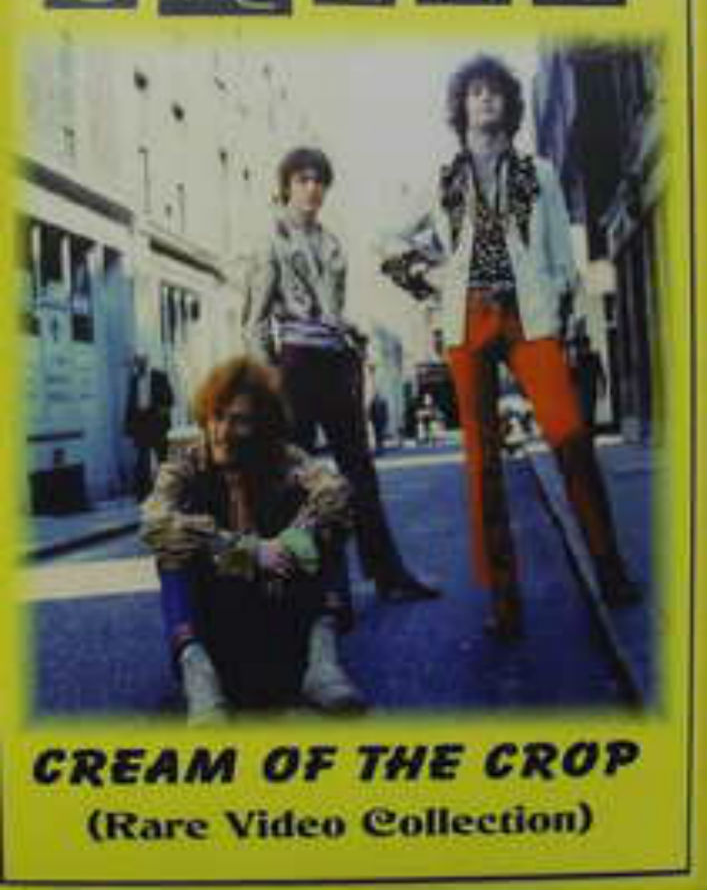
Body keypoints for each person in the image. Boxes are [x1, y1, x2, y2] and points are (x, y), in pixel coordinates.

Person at [382, 55, 639, 638]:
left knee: (571, 439)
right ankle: (503, 600)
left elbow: (560, 255)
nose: (485, 99)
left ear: (509, 104)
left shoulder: (537, 173)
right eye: (474, 92)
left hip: (529, 315)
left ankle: (610, 568)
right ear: (461, 106)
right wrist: (427, 274)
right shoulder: (442, 177)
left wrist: (559, 307)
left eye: (495, 91)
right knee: (482, 464)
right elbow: (387, 240)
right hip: (467, 318)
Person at [243, 147, 439, 604]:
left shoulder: (331, 242)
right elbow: (254, 323)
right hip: (295, 365)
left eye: (319, 181)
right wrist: (267, 382)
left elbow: (330, 310)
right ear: (287, 186)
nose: (312, 188)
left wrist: (350, 333)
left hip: (336, 362)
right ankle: (296, 582)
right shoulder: (270, 240)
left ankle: (388, 573)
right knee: (295, 475)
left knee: (360, 472)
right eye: (303, 180)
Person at [140, 356, 364, 723]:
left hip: (279, 603)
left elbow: (335, 492)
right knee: (171, 548)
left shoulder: (284, 457)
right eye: (216, 417)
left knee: (332, 528)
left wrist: (296, 537)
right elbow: (154, 520)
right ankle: (200, 679)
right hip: (220, 609)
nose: (222, 431)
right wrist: (245, 549)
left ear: (263, 423)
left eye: (238, 420)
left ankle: (322, 663)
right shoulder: (185, 464)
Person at [124, 354, 174, 500]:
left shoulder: (160, 376)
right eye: (136, 363)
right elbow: (130, 403)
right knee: (142, 460)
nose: (138, 366)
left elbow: (170, 399)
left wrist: (161, 411)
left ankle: (167, 490)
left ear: (146, 362)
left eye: (140, 362)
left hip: (157, 423)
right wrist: (128, 426)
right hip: (141, 424)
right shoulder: (134, 380)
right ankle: (143, 493)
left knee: (162, 458)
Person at [570, 333, 608, 431]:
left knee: (590, 414)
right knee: (581, 415)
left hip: (591, 390)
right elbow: (571, 377)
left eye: (586, 346)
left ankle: (589, 431)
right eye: (582, 347)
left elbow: (601, 374)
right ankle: (585, 431)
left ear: (589, 346)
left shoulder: (595, 358)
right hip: (579, 392)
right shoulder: (576, 359)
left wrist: (603, 389)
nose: (584, 349)